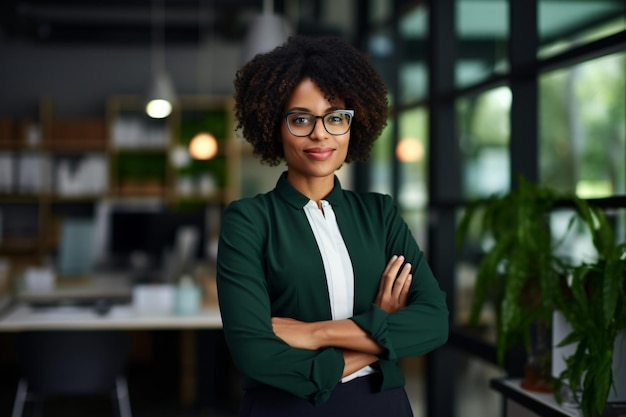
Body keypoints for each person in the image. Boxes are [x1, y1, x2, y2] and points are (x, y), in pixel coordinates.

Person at [216, 34, 448, 417]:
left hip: (382, 405)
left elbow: (434, 322)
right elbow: (255, 355)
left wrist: (315, 334)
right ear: (275, 126)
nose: (320, 133)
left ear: (353, 126)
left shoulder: (380, 213)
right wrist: (383, 327)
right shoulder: (249, 220)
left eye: (336, 117)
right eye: (301, 118)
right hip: (287, 409)